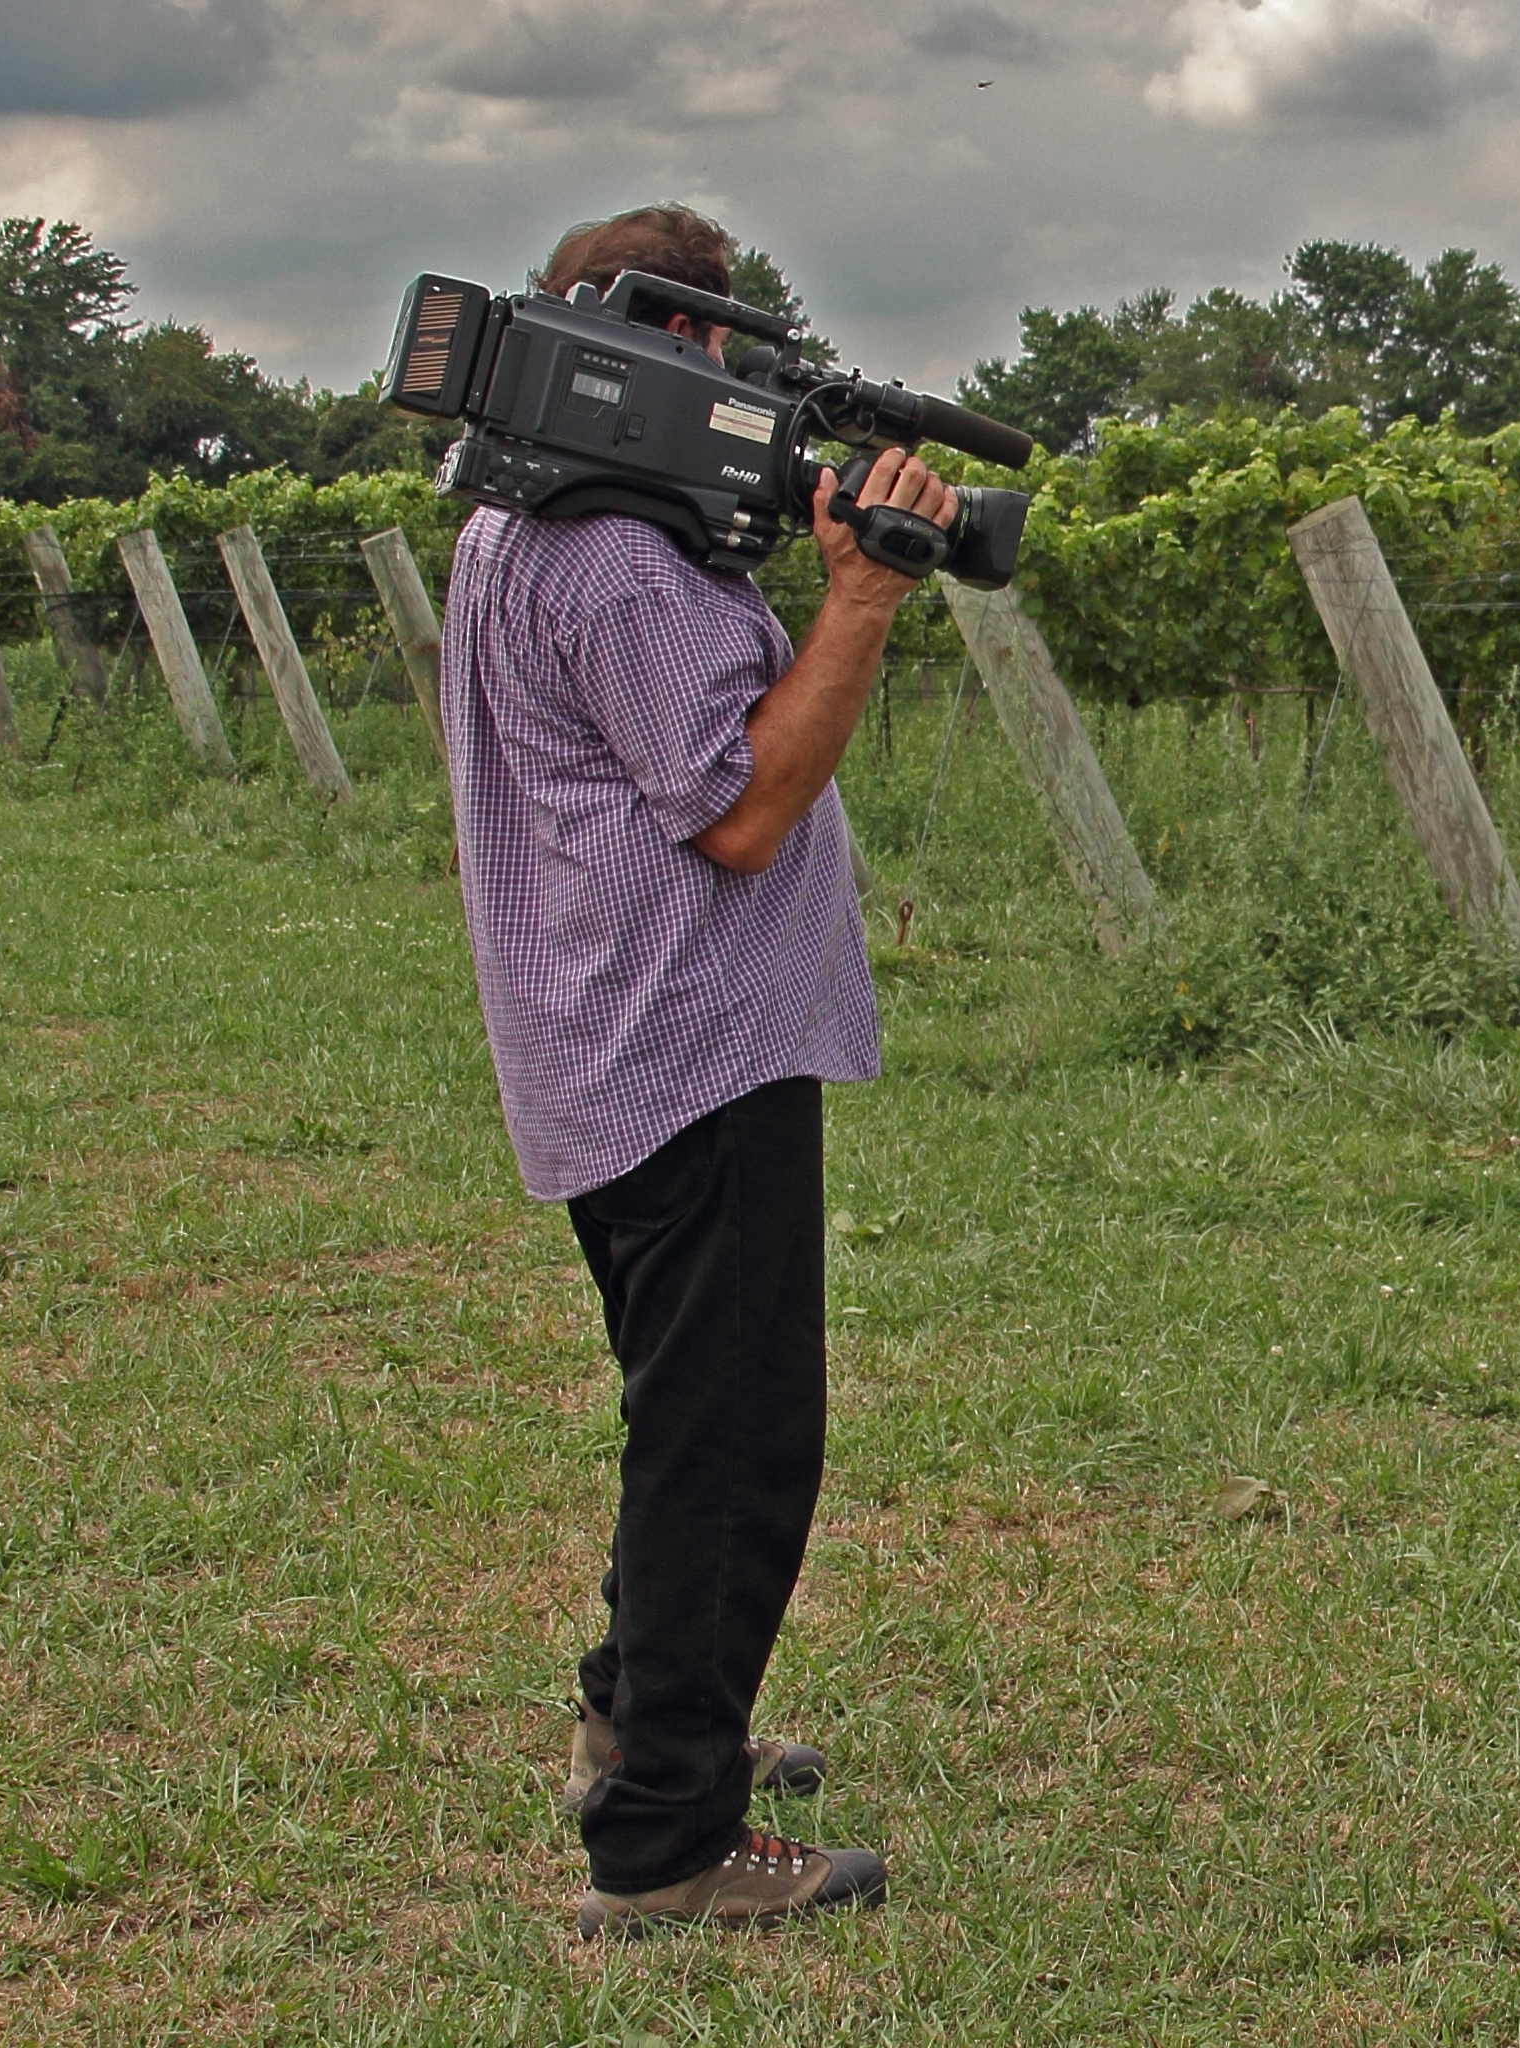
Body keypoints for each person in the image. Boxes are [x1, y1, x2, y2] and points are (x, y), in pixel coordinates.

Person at [443, 205, 953, 1937]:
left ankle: (641, 1712)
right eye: (722, 350)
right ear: (678, 344)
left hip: (598, 1036)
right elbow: (742, 809)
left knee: (684, 1409)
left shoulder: (514, 519)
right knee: (730, 1438)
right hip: (692, 1043)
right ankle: (667, 1835)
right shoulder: (624, 563)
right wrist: (863, 596)